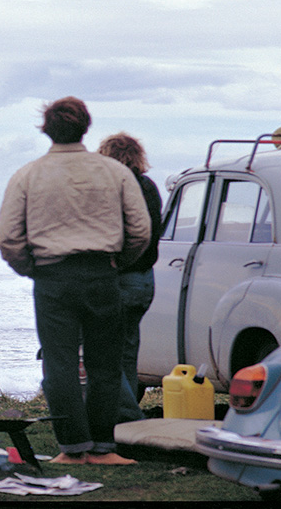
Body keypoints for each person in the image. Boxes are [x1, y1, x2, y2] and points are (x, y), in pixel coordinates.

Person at [0, 96, 150, 465]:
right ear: (86, 126)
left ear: (46, 129)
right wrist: (117, 262)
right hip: (102, 273)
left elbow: (7, 237)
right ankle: (102, 446)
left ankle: (72, 448)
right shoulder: (115, 173)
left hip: (52, 277)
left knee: (59, 363)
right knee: (105, 364)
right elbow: (141, 231)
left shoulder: (28, 174)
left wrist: (32, 268)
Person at [97, 133, 163, 424]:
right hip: (145, 279)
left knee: (107, 353)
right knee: (127, 350)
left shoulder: (111, 188)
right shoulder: (148, 187)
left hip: (120, 276)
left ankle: (126, 418)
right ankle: (121, 413)